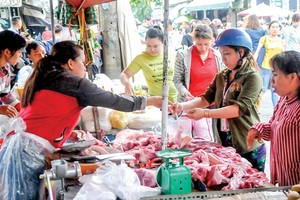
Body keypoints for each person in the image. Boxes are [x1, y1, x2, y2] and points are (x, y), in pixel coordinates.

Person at [0, 40, 164, 199]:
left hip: (19, 147)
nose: (85, 67)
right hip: (28, 153)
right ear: (71, 63)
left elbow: (46, 112)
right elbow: (113, 100)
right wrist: (148, 101)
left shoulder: (47, 76)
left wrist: (64, 132)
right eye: (82, 62)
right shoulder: (73, 82)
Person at [169, 28, 265, 171]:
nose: (223, 58)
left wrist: (205, 113)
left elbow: (237, 109)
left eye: (227, 53)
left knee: (252, 184)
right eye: (221, 54)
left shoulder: (252, 77)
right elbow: (205, 99)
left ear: (242, 52)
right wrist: (182, 106)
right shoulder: (222, 75)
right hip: (225, 144)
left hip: (248, 144)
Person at [247, 50, 300, 186]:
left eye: (275, 75)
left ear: (293, 77)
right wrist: (258, 129)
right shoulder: (283, 100)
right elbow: (273, 129)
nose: (272, 81)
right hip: (284, 181)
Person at [174, 24, 224, 141]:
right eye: (199, 44)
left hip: (211, 105)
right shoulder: (183, 55)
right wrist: (184, 92)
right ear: (194, 40)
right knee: (186, 139)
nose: (203, 47)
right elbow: (177, 80)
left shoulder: (218, 57)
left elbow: (222, 80)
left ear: (212, 40)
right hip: (189, 103)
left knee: (209, 138)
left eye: (206, 44)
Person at [120, 26, 178, 103]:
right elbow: (124, 74)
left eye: (155, 46)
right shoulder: (141, 58)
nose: (152, 49)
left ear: (163, 43)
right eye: (148, 46)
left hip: (177, 100)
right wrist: (127, 83)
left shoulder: (171, 52)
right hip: (156, 103)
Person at [254, 20, 285, 108]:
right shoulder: (264, 38)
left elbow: (284, 54)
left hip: (278, 69)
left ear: (279, 29)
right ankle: (255, 106)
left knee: (275, 90)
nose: (275, 29)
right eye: (273, 27)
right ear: (269, 28)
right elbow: (257, 51)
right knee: (262, 89)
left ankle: (276, 110)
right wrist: (253, 61)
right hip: (265, 67)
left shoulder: (281, 41)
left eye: (277, 27)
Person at [0, 30, 26, 118]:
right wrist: (1, 109)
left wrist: (20, 107)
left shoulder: (5, 69)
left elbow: (5, 94)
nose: (21, 55)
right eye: (19, 51)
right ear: (7, 52)